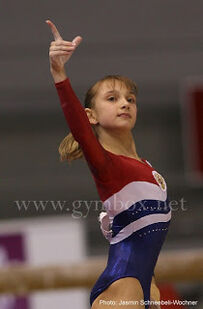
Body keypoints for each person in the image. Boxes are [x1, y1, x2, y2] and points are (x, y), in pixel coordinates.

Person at [46, 19, 171, 309]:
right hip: (122, 288)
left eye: (130, 99)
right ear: (91, 115)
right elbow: (76, 125)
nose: (125, 103)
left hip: (148, 287)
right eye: (113, 99)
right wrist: (59, 72)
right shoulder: (106, 163)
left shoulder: (147, 166)